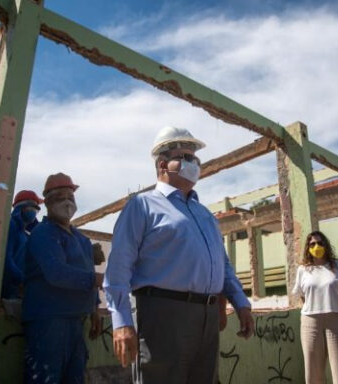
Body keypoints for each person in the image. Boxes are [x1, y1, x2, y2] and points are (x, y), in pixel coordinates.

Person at [104, 126, 254, 384]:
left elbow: (223, 264)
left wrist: (241, 302)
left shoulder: (205, 214)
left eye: (195, 158)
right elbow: (118, 268)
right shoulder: (142, 206)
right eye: (185, 157)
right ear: (163, 165)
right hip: (162, 314)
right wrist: (121, 322)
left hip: (206, 318)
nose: (193, 163)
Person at [22, 173, 103, 384]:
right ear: (47, 202)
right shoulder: (43, 234)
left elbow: (86, 272)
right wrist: (99, 279)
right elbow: (57, 273)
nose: (67, 202)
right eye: (60, 197)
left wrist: (94, 309)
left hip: (77, 320)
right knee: (45, 378)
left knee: (74, 378)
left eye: (71, 197)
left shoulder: (82, 240)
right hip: (49, 320)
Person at [293, 231, 338, 384]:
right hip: (311, 322)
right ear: (308, 248)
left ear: (326, 245)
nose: (317, 246)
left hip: (337, 320)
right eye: (312, 244)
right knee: (313, 373)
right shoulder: (303, 270)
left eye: (320, 243)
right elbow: (302, 295)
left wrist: (332, 303)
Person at [1, 190, 42, 299]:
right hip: (10, 287)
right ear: (20, 208)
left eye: (36, 210)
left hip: (22, 289)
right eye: (31, 208)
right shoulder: (11, 225)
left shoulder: (27, 234)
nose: (33, 212)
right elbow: (6, 257)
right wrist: (21, 279)